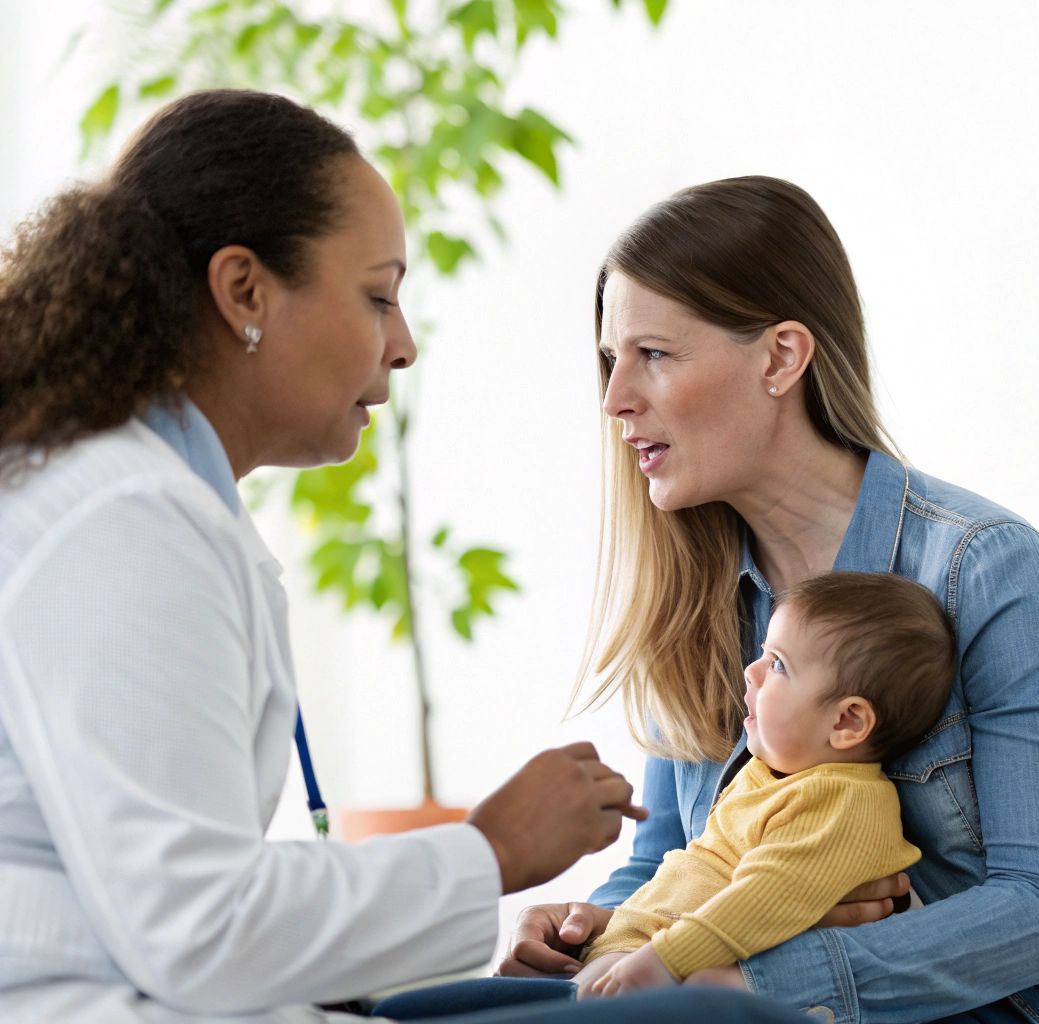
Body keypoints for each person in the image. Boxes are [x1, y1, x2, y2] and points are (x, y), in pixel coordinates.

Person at [0, 90, 802, 1024]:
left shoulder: (134, 500)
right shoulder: (124, 520)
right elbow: (200, 933)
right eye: (378, 295)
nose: (405, 344)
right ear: (244, 291)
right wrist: (488, 851)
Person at [496, 176, 1039, 1023]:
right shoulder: (696, 606)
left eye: (652, 355)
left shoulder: (986, 571)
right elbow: (676, 861)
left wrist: (770, 970)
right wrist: (595, 925)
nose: (616, 399)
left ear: (781, 357)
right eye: (611, 360)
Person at [573, 572, 956, 998]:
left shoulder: (845, 802)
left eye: (777, 664)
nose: (750, 672)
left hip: (673, 969)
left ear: (846, 721)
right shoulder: (773, 772)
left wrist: (664, 960)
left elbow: (762, 899)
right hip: (636, 948)